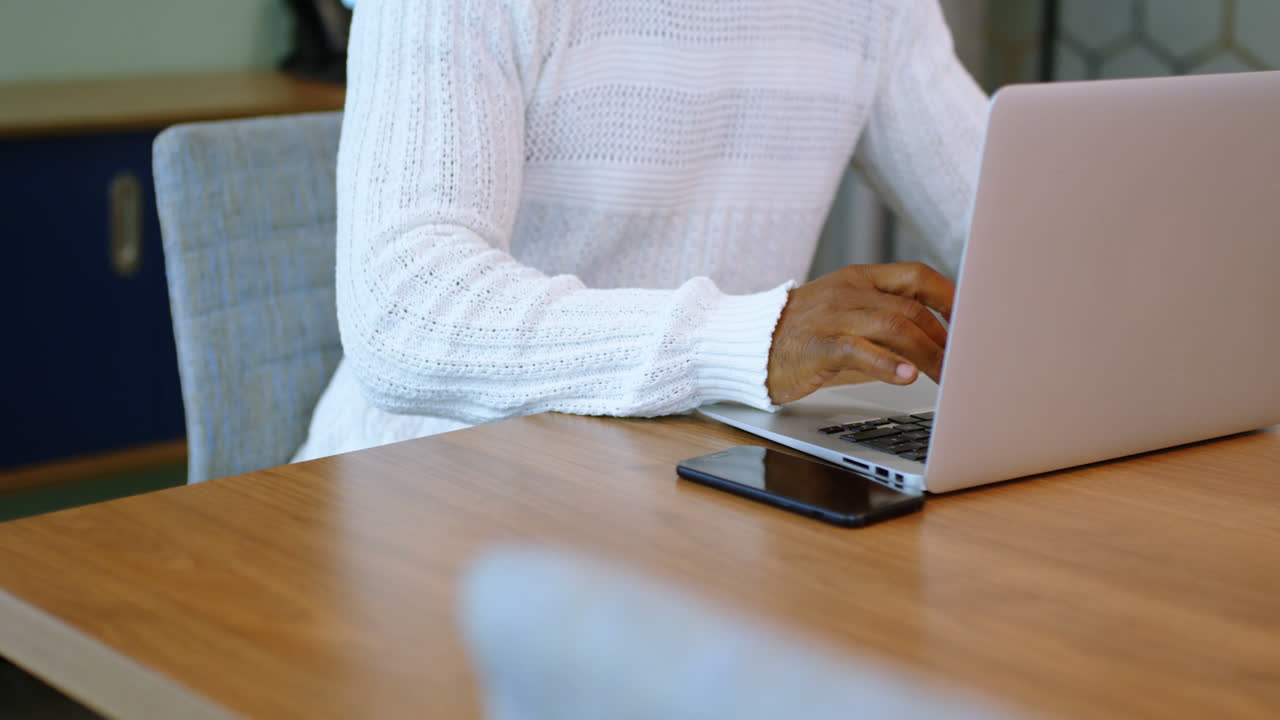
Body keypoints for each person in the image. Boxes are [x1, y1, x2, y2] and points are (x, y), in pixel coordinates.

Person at [292, 0, 986, 462]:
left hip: (698, 482)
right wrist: (750, 338)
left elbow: (1002, 219)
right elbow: (402, 311)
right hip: (430, 484)